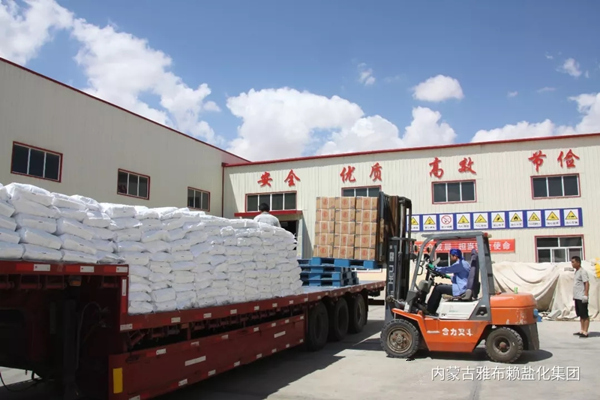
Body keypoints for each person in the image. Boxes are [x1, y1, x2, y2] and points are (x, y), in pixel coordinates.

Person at [426, 248, 471, 315]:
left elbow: (447, 269)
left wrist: (434, 268)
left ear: (455, 256)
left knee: (438, 288)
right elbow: (461, 277)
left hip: (460, 289)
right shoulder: (465, 263)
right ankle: (431, 310)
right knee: (440, 286)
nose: (450, 257)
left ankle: (429, 310)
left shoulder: (459, 264)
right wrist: (447, 277)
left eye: (451, 256)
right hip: (463, 287)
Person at [571, 256, 590, 338]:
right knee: (580, 314)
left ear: (578, 262)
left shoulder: (583, 272)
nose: (572, 264)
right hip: (577, 297)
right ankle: (582, 330)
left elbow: (586, 283)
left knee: (584, 314)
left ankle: (585, 331)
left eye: (573, 262)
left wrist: (586, 294)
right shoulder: (576, 272)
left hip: (582, 297)